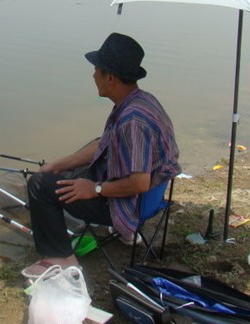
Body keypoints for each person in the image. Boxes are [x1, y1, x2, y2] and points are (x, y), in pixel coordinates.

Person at [22, 32, 181, 278]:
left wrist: (94, 189)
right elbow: (101, 145)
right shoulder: (140, 101)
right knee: (62, 173)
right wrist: (59, 164)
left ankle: (60, 260)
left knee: (39, 187)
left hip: (129, 205)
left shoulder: (132, 121)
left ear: (110, 77)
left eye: (96, 70)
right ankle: (125, 234)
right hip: (149, 197)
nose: (93, 75)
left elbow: (139, 182)